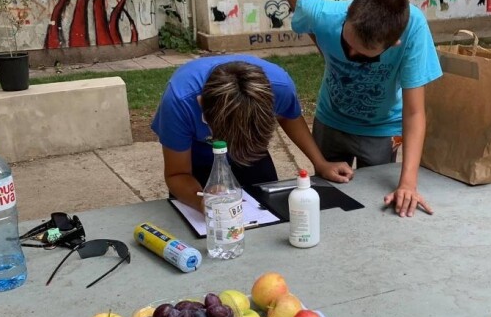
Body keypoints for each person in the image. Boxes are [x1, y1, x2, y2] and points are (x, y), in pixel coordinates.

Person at [286, 0, 442, 217]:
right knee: (327, 203)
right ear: (347, 16)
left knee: (376, 208)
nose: (351, 55)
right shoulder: (326, 14)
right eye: (347, 44)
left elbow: (414, 112)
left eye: (364, 56)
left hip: (382, 128)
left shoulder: (413, 30)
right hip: (331, 120)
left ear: (393, 44)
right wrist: (320, 40)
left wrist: (408, 184)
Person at [151, 55, 353, 211]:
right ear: (202, 105)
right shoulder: (179, 101)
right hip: (197, 155)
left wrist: (320, 163)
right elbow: (177, 174)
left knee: (268, 206)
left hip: (252, 151)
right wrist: (202, 202)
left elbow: (289, 117)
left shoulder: (279, 87)